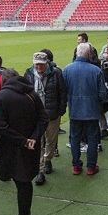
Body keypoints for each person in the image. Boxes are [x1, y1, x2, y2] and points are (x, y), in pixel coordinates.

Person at [0, 68, 47, 215]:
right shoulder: (32, 94)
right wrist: (33, 138)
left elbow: (0, 126)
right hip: (30, 146)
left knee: (22, 182)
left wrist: (24, 141)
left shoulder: (1, 97)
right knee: (24, 181)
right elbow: (43, 118)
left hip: (12, 147)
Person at [63, 42, 108, 176]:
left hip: (75, 110)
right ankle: (91, 166)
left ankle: (76, 166)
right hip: (92, 110)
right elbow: (102, 94)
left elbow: (63, 90)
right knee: (92, 138)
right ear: (89, 54)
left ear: (77, 53)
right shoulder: (96, 70)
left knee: (75, 138)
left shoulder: (67, 69)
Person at [24, 50, 67, 185]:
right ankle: (40, 170)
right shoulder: (28, 73)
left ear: (46, 63)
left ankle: (48, 159)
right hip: (35, 114)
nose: (38, 68)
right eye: (36, 65)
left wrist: (61, 110)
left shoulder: (56, 73)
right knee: (38, 142)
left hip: (52, 114)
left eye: (41, 65)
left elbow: (62, 92)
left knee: (51, 141)